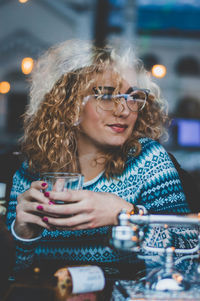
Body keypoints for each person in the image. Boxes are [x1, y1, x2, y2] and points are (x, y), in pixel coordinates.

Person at [6, 40, 197, 276]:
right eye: (107, 96)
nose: (124, 110)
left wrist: (127, 215)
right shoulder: (30, 174)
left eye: (132, 96)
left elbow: (189, 258)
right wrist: (23, 235)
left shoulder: (148, 161)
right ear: (70, 105)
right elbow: (13, 277)